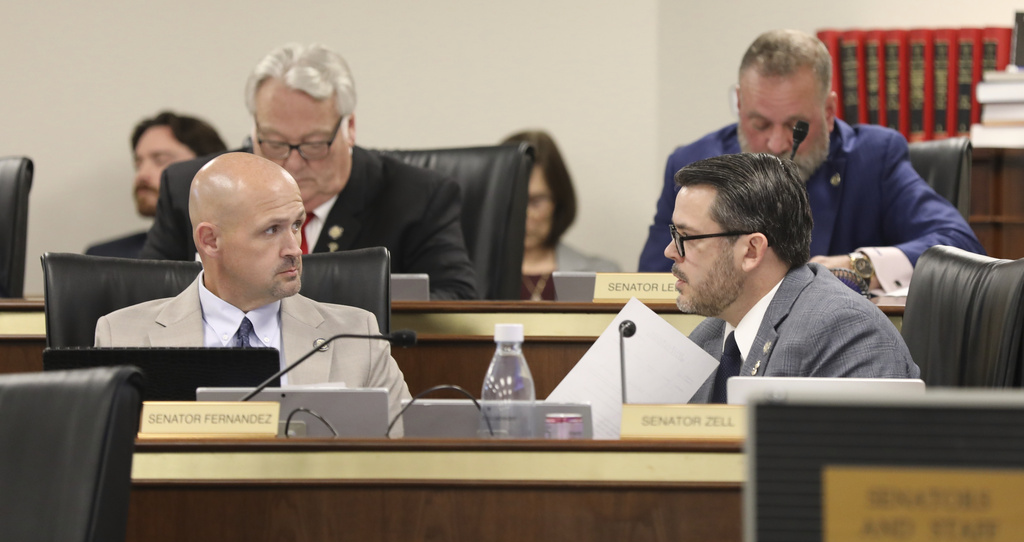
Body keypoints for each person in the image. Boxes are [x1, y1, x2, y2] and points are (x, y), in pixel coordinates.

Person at [638, 29, 984, 294]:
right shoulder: (693, 164)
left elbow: (959, 245)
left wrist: (858, 266)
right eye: (759, 124)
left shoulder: (873, 159)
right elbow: (651, 282)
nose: (774, 143)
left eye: (794, 126)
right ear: (740, 105)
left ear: (829, 112)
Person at [95, 153, 412, 432]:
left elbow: (405, 460)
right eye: (272, 229)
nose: (294, 248)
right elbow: (101, 465)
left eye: (296, 225)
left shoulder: (357, 338)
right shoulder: (122, 337)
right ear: (210, 241)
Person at [139, 43, 478, 300]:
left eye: (314, 144)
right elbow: (144, 297)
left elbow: (454, 303)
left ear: (351, 128)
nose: (293, 162)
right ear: (254, 130)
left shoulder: (417, 197)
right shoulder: (194, 188)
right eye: (274, 142)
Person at [662, 153, 919, 404]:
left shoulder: (846, 333)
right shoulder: (710, 334)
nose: (670, 252)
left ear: (751, 250)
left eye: (686, 237)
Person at [85, 112, 227, 258]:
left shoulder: (241, 253)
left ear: (208, 166)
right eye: (138, 164)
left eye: (160, 160)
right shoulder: (105, 260)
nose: (141, 175)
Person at [501, 130, 620, 300]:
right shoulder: (465, 276)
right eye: (514, 200)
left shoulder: (602, 275)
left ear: (558, 201)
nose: (524, 214)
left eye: (536, 202)